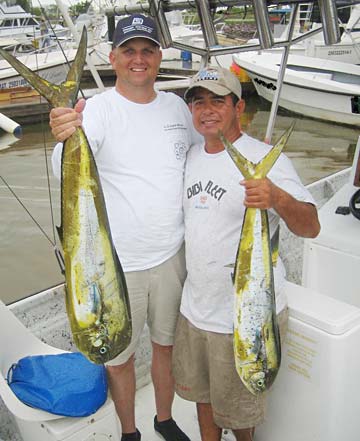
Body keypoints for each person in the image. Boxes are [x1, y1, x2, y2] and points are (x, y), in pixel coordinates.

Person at [50, 14, 201, 441]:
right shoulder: (95, 111)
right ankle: (130, 431)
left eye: (147, 50)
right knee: (118, 358)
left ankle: (164, 418)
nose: (139, 59)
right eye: (130, 51)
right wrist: (64, 134)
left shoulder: (176, 107)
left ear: (159, 57)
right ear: (113, 58)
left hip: (173, 256)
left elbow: (206, 154)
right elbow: (65, 172)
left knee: (166, 346)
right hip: (117, 267)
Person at [172, 66, 321, 441]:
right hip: (195, 310)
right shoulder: (190, 156)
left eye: (217, 101)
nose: (206, 110)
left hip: (244, 319)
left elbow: (310, 226)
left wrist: (277, 197)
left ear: (238, 107)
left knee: (241, 414)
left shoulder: (266, 158)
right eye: (199, 102)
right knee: (201, 398)